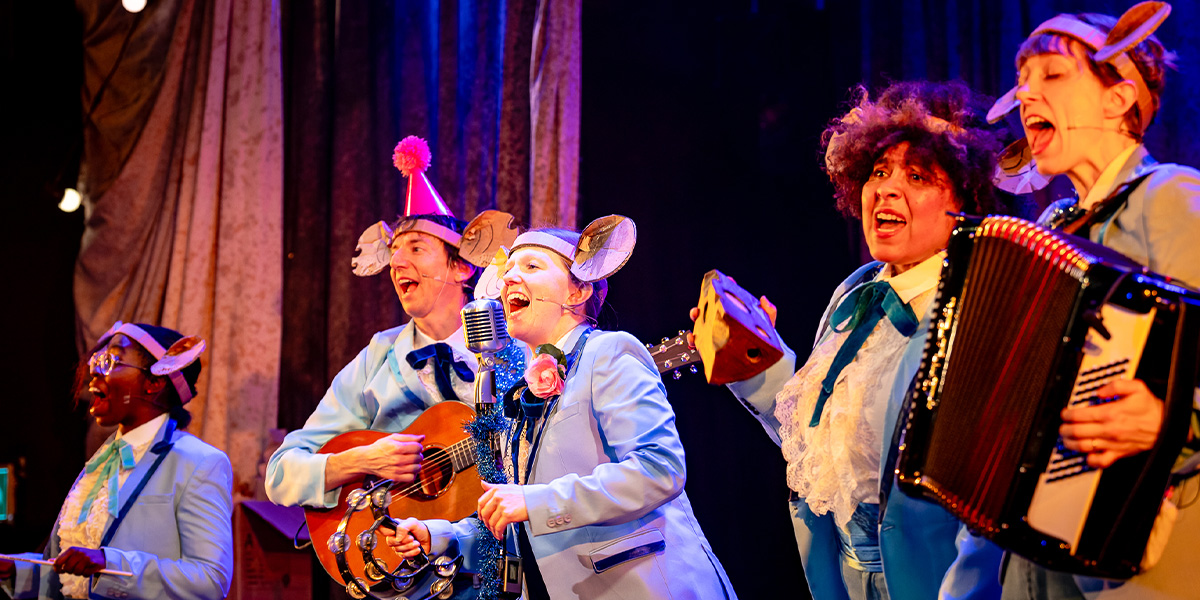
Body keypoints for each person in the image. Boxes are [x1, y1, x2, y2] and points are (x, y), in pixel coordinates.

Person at [694, 81, 1010, 600]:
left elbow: (992, 499)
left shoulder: (978, 307)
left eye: (917, 176)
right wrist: (752, 359)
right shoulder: (854, 292)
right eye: (878, 172)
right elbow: (824, 448)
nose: (886, 189)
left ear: (966, 199)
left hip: (935, 583)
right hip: (841, 580)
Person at [384, 220, 738, 599]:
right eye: (507, 270)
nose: (508, 279)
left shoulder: (609, 352)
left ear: (577, 290)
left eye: (531, 266)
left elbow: (659, 469)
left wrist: (533, 502)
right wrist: (440, 535)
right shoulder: (518, 396)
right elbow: (519, 522)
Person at [987, 5, 1200, 598]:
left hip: (1145, 555)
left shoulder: (1170, 195)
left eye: (1053, 75)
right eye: (1022, 82)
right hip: (1043, 554)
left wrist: (1172, 420)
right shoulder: (1053, 228)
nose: (1027, 95)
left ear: (1118, 99)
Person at [265, 136, 521, 509]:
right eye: (395, 251)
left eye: (416, 248)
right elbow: (279, 472)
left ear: (462, 267)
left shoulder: (514, 349)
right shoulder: (379, 357)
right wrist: (361, 460)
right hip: (390, 538)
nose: (397, 262)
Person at [0, 322, 233, 600]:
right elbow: (71, 573)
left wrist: (110, 565)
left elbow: (211, 579)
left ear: (154, 383)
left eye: (111, 361)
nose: (94, 371)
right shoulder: (101, 461)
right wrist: (17, 571)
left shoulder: (200, 462)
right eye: (97, 360)